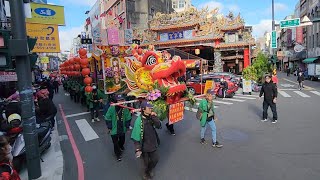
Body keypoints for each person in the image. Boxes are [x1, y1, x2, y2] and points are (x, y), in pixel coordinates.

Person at [131, 101, 161, 180]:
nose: (151, 109)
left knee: (155, 159)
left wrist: (154, 117)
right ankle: (145, 174)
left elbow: (159, 125)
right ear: (143, 109)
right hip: (144, 147)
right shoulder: (139, 121)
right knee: (145, 163)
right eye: (149, 108)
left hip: (153, 144)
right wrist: (138, 149)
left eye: (151, 107)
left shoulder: (151, 117)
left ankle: (149, 170)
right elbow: (136, 137)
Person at [104, 94, 132, 161]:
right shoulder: (112, 107)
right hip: (114, 129)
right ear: (116, 101)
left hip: (122, 128)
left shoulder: (125, 108)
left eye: (122, 100)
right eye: (119, 100)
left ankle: (121, 146)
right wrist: (109, 127)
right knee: (115, 143)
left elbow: (128, 117)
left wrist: (127, 126)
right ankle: (118, 155)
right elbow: (107, 117)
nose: (121, 101)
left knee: (122, 140)